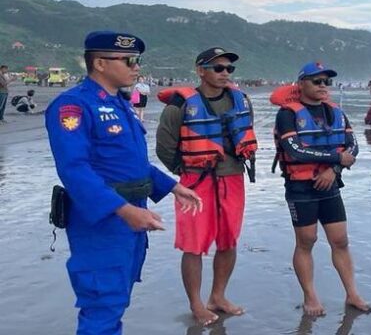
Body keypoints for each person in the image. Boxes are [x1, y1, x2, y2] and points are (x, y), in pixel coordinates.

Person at [45, 31, 203, 335]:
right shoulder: (74, 106)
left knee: (118, 298)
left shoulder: (120, 104)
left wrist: (171, 186)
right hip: (102, 220)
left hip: (131, 213)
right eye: (129, 60)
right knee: (102, 302)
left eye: (137, 60)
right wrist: (123, 210)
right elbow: (74, 169)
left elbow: (129, 163)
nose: (136, 67)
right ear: (101, 63)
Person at [155, 47, 258, 326]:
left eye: (229, 69)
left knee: (229, 240)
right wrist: (187, 170)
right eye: (218, 68)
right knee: (193, 245)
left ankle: (218, 296)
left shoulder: (241, 100)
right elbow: (165, 148)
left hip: (233, 178)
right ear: (201, 71)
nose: (225, 73)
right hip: (195, 182)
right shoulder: (180, 105)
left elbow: (247, 133)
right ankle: (197, 304)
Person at [271, 62, 371, 316]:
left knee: (340, 240)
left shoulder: (336, 112)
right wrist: (336, 161)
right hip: (301, 187)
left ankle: (352, 294)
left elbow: (352, 146)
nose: (323, 86)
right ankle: (311, 297)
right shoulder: (287, 115)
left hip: (330, 185)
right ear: (301, 83)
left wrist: (333, 171)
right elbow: (295, 150)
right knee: (307, 241)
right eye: (317, 82)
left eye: (327, 82)